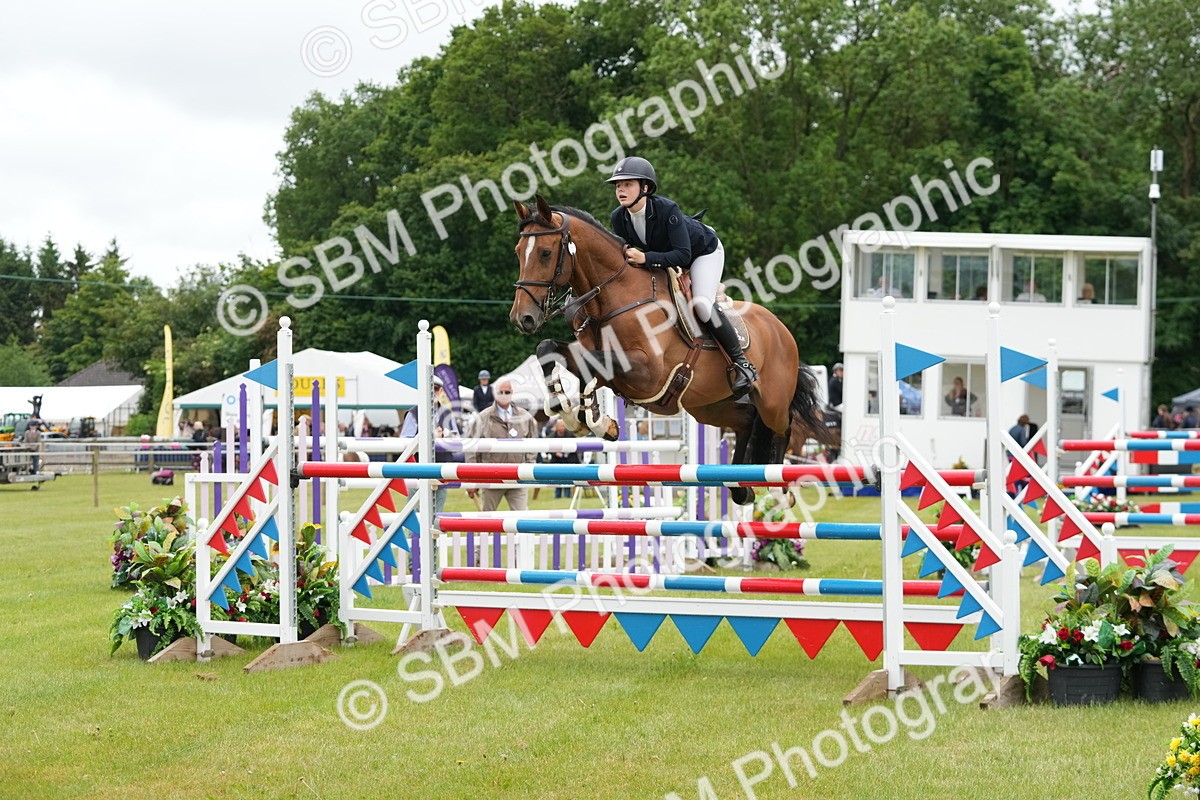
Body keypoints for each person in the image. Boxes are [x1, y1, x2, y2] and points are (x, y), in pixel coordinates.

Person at [607, 156, 758, 398]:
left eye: (628, 184)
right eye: (617, 185)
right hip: (666, 259)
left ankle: (741, 364)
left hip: (701, 253)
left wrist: (646, 259)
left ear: (645, 188)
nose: (621, 190)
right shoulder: (618, 218)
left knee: (701, 305)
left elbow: (682, 254)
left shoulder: (667, 209)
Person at [466, 380, 539, 511]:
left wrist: (529, 465)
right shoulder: (482, 418)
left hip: (518, 475)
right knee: (487, 520)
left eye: (507, 392)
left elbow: (533, 442)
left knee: (522, 518)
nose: (504, 395)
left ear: (512, 393)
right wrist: (471, 478)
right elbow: (472, 449)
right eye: (501, 392)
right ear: (495, 393)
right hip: (491, 476)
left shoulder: (525, 417)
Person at [401, 375, 461, 515]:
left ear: (440, 392)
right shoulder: (413, 413)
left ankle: (433, 538)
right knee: (416, 514)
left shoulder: (447, 413)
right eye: (429, 389)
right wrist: (429, 436)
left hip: (441, 470)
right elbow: (405, 442)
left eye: (435, 389)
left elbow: (457, 440)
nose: (432, 392)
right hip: (417, 472)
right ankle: (414, 537)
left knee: (437, 515)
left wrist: (445, 436)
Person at [544, 419, 581, 499]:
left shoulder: (570, 435)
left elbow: (575, 447)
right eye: (560, 426)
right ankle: (557, 495)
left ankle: (567, 495)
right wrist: (555, 453)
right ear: (557, 427)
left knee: (567, 477)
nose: (562, 427)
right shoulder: (552, 436)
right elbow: (547, 448)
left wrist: (566, 452)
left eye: (563, 426)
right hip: (556, 460)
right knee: (557, 477)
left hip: (569, 459)